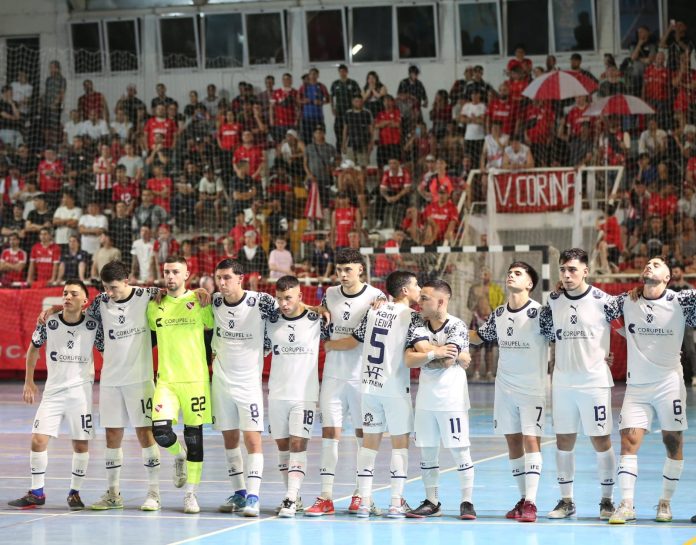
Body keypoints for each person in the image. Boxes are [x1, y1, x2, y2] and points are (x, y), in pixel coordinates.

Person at [321, 271, 423, 517]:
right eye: (416, 285)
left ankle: (365, 501)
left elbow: (354, 339)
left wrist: (329, 344)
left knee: (369, 446)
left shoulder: (374, 311)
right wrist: (441, 351)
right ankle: (396, 501)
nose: (420, 289)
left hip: (369, 387)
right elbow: (421, 348)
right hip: (395, 388)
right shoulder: (413, 317)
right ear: (405, 291)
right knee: (400, 445)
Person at [604, 257, 693, 524]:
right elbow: (594, 308)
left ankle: (664, 503)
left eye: (657, 264)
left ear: (668, 277)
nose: (649, 266)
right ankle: (627, 505)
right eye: (648, 264)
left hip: (669, 384)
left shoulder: (682, 301)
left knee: (672, 441)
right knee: (628, 442)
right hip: (637, 385)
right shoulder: (625, 301)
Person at [8, 280, 103, 510]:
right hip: (53, 392)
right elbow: (33, 350)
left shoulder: (94, 325)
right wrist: (29, 381)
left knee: (81, 445)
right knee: (38, 440)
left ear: (85, 301)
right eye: (64, 293)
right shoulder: (48, 323)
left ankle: (74, 492)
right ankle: (37, 492)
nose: (67, 297)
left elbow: (108, 350)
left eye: (73, 294)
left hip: (80, 393)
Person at [304, 248, 384, 517]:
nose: (343, 275)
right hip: (333, 377)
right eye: (339, 270)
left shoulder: (376, 296)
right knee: (330, 434)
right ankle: (325, 496)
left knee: (363, 435)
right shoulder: (330, 294)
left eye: (348, 270)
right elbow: (321, 316)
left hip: (362, 378)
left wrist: (330, 344)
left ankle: (361, 494)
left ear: (360, 269)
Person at [539, 248, 617, 520]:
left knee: (600, 439)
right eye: (563, 269)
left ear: (586, 270)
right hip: (562, 382)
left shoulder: (604, 300)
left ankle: (607, 500)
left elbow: (629, 328)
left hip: (594, 381)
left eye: (573, 269)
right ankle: (566, 500)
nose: (567, 274)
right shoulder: (553, 300)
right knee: (563, 440)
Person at [470, 263, 547, 522]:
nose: (511, 275)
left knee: (531, 440)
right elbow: (479, 336)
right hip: (504, 388)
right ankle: (523, 499)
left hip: (531, 388)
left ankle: (533, 503)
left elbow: (564, 337)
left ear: (529, 284)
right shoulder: (499, 313)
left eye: (518, 273)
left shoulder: (540, 313)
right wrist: (449, 329)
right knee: (512, 442)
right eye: (510, 271)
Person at [210, 259, 280, 517]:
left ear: (240, 278)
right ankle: (239, 493)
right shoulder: (215, 301)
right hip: (221, 381)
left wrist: (315, 308)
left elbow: (288, 307)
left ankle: (253, 496)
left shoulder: (260, 301)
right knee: (229, 438)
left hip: (248, 382)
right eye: (219, 277)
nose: (222, 283)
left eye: (227, 277)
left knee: (252, 440)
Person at [147, 256, 214, 514]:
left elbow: (217, 327)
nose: (170, 276)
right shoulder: (155, 305)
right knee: (162, 433)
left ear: (187, 274)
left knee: (195, 438)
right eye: (166, 272)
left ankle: (191, 495)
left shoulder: (200, 302)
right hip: (167, 380)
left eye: (176, 272)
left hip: (196, 380)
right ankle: (179, 455)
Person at [405, 279, 474, 520]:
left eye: (425, 298)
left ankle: (467, 501)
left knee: (459, 450)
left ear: (441, 301)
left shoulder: (457, 325)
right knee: (427, 453)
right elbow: (408, 360)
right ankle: (432, 501)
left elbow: (447, 361)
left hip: (451, 399)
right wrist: (437, 352)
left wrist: (424, 354)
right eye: (420, 297)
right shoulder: (417, 325)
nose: (419, 302)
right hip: (425, 400)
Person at [265, 275, 323, 517]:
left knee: (299, 444)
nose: (283, 303)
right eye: (279, 298)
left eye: (288, 298)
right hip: (277, 393)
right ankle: (295, 497)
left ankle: (289, 498)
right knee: (283, 446)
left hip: (304, 395)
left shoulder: (317, 319)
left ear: (300, 296)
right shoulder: (270, 320)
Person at [331, 64, 362, 150]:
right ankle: (339, 154)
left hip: (350, 112)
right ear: (339, 72)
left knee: (352, 133)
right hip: (339, 112)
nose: (342, 73)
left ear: (347, 72)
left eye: (344, 71)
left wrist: (357, 108)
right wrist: (332, 108)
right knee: (339, 132)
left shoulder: (353, 83)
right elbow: (331, 96)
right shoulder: (335, 84)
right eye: (340, 71)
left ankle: (351, 152)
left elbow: (359, 96)